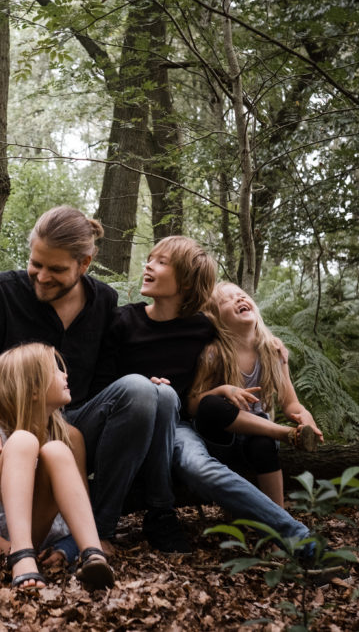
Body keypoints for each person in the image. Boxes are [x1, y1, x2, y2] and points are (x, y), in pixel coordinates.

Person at [0, 206, 178, 590]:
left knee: (143, 392)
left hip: (66, 426)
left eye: (57, 270)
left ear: (85, 263)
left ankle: (95, 535)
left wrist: (151, 380)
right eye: (36, 264)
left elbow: (112, 382)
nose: (42, 277)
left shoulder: (104, 302)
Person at [94, 236, 314, 551]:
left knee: (197, 462)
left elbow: (238, 330)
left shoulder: (202, 328)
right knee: (158, 395)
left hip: (181, 427)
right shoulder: (123, 321)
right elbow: (103, 387)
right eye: (150, 258)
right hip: (129, 426)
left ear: (185, 282)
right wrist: (141, 388)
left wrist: (271, 341)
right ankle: (153, 515)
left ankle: (296, 537)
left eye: (161, 261)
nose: (148, 265)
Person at [0, 343, 115, 591]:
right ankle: (21, 556)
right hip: (5, 538)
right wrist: (1, 546)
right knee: (23, 441)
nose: (65, 375)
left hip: (40, 534)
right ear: (33, 390)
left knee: (56, 450)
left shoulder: (71, 437)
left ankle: (93, 555)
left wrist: (67, 548)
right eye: (55, 370)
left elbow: (80, 506)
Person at [189, 282, 323, 507]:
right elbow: (193, 405)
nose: (239, 300)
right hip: (221, 438)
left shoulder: (272, 352)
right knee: (212, 404)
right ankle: (284, 433)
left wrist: (305, 417)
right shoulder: (214, 353)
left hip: (257, 437)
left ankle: (278, 524)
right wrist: (224, 390)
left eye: (241, 295)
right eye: (226, 300)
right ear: (215, 318)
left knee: (263, 445)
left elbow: (290, 403)